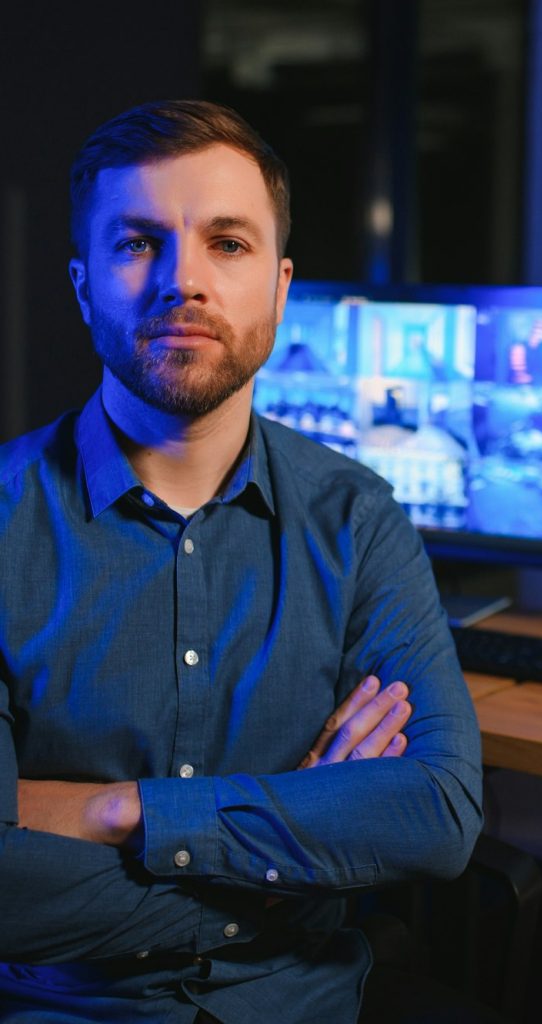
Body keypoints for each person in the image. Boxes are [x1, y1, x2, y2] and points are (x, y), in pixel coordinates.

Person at [0, 99, 483, 1022]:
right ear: (81, 283)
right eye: (138, 242)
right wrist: (285, 858)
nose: (184, 281)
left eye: (228, 243)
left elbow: (438, 812)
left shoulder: (357, 518)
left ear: (280, 285)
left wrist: (116, 812)